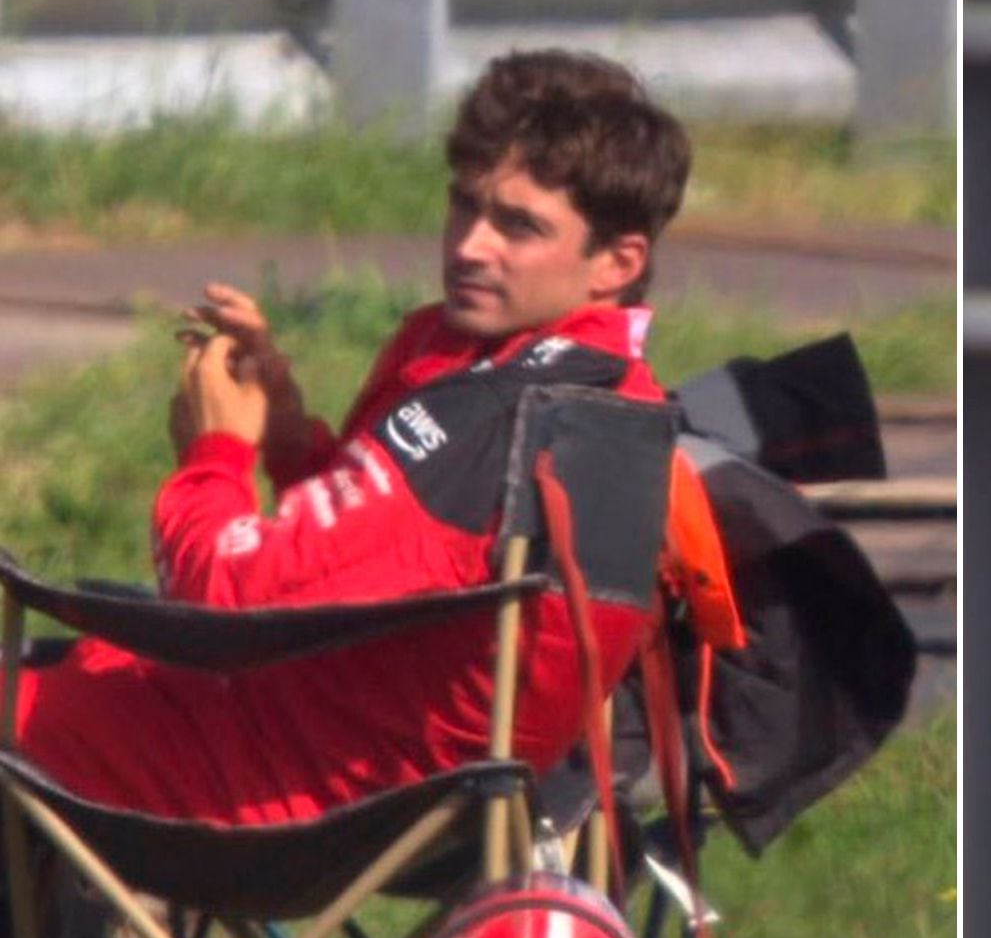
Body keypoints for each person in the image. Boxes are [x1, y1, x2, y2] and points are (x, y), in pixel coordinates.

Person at [13, 49, 692, 824]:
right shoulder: (539, 372)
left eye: (519, 226)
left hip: (311, 787)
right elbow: (369, 572)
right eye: (465, 206)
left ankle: (66, 937)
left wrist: (216, 453)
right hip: (344, 740)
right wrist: (289, 437)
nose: (471, 245)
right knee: (72, 672)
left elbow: (222, 608)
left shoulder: (507, 411)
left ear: (616, 262)